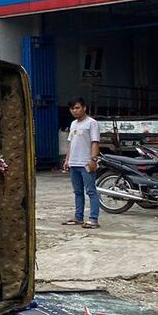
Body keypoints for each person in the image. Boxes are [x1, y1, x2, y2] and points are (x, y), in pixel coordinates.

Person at [62, 97, 100, 229]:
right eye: (72, 108)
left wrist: (93, 160)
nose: (75, 111)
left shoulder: (92, 123)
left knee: (91, 191)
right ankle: (78, 218)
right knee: (78, 192)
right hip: (74, 163)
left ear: (84, 108)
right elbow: (71, 143)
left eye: (77, 107)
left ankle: (93, 219)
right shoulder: (73, 124)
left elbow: (95, 142)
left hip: (86, 163)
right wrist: (67, 160)